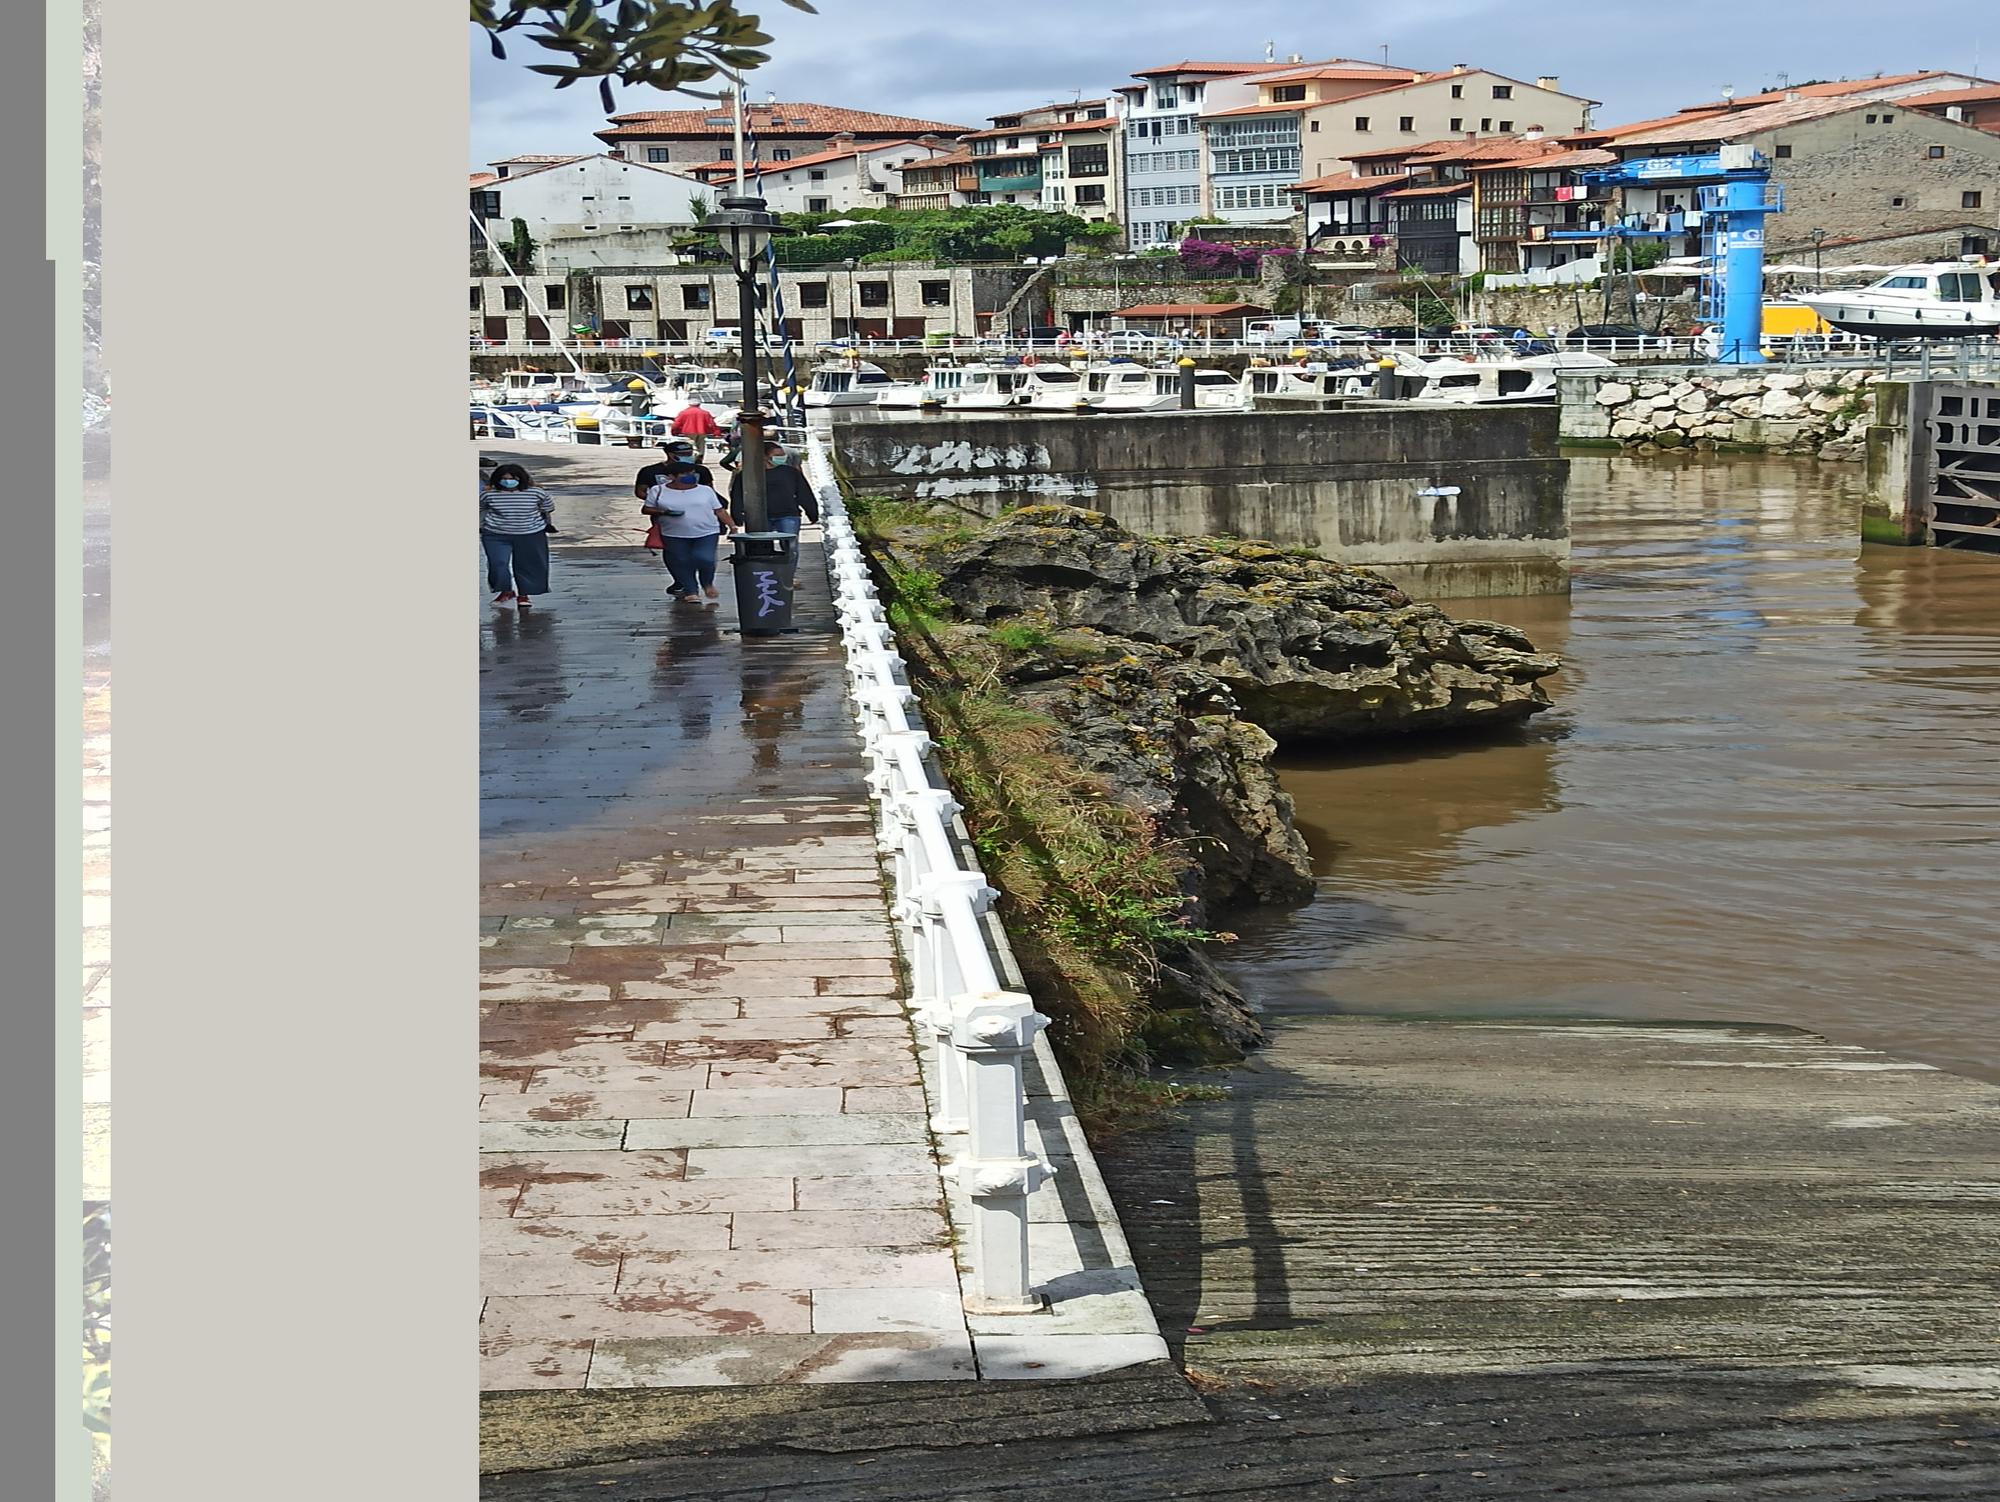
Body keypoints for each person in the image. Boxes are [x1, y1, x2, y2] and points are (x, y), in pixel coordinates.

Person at [642, 462, 733, 604]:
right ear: (671, 477)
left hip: (706, 531)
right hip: (673, 533)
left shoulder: (705, 490)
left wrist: (732, 526)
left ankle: (707, 583)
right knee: (681, 562)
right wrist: (664, 512)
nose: (690, 477)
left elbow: (719, 510)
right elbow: (647, 508)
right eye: (685, 474)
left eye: (692, 473)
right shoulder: (658, 490)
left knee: (705, 558)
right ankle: (691, 591)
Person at [480, 462, 555, 607]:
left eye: (512, 478)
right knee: (497, 564)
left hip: (530, 533)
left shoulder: (537, 493)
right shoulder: (488, 494)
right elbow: (480, 508)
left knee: (528, 565)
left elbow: (547, 508)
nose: (508, 481)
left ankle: (524, 595)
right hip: (495, 534)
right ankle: (506, 590)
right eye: (504, 478)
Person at [728, 440, 820, 553]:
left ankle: (789, 569)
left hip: (788, 514)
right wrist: (737, 516)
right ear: (764, 456)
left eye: (783, 456)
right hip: (759, 517)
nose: (782, 458)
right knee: (760, 548)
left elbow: (804, 493)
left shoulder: (790, 472)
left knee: (791, 548)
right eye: (777, 456)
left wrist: (812, 512)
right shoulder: (746, 475)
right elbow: (737, 496)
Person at [633, 437, 712, 500]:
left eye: (690, 454)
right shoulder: (650, 471)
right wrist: (655, 502)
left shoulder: (701, 470)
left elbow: (710, 490)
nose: (688, 456)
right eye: (684, 454)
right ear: (671, 455)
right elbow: (640, 491)